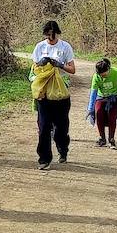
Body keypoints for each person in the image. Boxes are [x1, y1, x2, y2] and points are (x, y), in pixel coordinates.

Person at [31, 19, 75, 170]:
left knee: (61, 128)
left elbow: (72, 69)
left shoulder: (65, 47)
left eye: (52, 35)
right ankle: (44, 158)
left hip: (61, 94)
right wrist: (41, 64)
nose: (49, 38)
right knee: (43, 127)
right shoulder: (39, 47)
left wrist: (60, 65)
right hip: (44, 93)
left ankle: (63, 149)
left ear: (57, 34)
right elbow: (33, 70)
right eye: (47, 35)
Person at [87, 58, 117, 148]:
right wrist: (90, 108)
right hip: (101, 97)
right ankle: (102, 138)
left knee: (112, 117)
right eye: (100, 74)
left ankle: (111, 139)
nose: (102, 76)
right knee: (98, 113)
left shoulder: (116, 72)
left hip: (114, 98)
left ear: (108, 69)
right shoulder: (96, 77)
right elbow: (93, 92)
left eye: (104, 74)